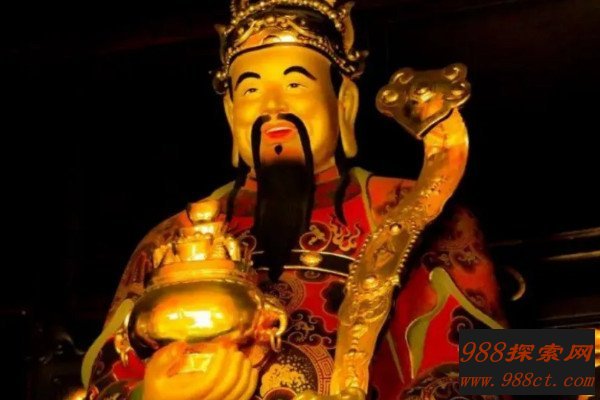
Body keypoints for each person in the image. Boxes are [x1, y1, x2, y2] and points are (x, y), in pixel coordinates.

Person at [82, 1, 508, 399]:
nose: (273, 106)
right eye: (250, 90)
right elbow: (101, 382)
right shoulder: (171, 241)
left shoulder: (410, 209)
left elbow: (499, 367)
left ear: (344, 103)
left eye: (295, 83)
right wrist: (155, 392)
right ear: (231, 113)